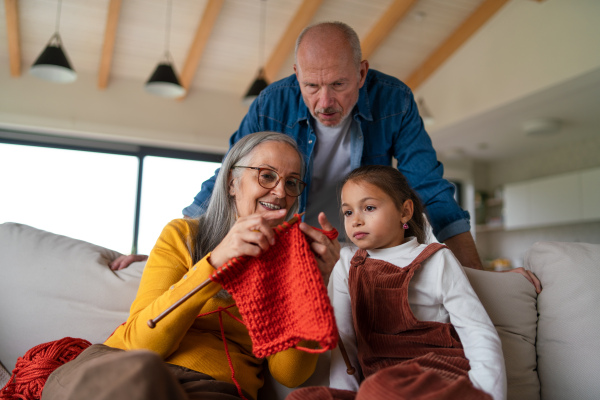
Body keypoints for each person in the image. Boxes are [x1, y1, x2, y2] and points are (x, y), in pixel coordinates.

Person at [178, 21, 541, 291]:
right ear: (296, 75)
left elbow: (429, 187)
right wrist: (174, 255)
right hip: (289, 243)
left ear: (362, 73)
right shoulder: (272, 102)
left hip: (365, 248)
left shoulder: (394, 100)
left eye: (338, 84)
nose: (325, 103)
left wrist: (477, 276)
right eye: (311, 86)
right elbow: (228, 177)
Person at [42, 132, 341, 400]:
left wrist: (313, 285)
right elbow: (140, 343)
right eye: (266, 176)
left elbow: (291, 374)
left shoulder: (287, 267)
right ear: (231, 183)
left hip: (211, 389)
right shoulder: (183, 235)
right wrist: (214, 265)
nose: (280, 192)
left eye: (291, 183)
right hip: (121, 371)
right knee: (140, 376)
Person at [288, 165, 506, 400]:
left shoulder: (436, 258)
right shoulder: (346, 262)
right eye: (348, 212)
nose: (356, 221)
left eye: (369, 207)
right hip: (376, 388)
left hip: (439, 378)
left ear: (405, 211)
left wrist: (489, 395)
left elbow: (478, 332)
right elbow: (346, 344)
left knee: (380, 389)